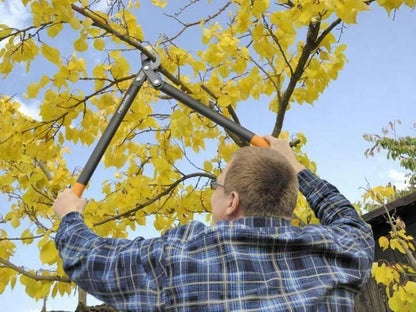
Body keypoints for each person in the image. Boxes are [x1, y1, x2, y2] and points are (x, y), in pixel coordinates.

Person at [53, 136, 375, 311]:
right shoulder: (336, 253)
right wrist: (296, 167)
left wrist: (70, 215)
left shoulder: (183, 257)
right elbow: (350, 221)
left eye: (216, 186)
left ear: (232, 201)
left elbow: (88, 259)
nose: (213, 194)